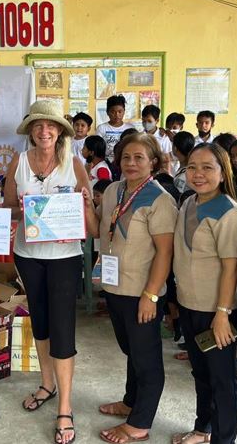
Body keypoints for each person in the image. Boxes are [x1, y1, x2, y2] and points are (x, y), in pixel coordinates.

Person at [4, 100, 90, 444]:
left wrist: (83, 204)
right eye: (38, 125)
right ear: (30, 130)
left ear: (60, 131)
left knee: (62, 328)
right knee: (40, 321)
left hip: (65, 257)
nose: (44, 131)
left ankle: (65, 407)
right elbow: (8, 208)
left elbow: (87, 211)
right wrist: (24, 210)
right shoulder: (19, 162)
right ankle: (47, 384)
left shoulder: (74, 164)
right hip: (28, 254)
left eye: (50, 125)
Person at [84, 133, 177, 443]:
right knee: (131, 351)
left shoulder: (160, 200)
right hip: (114, 288)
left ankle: (140, 422)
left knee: (146, 358)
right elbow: (98, 230)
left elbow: (165, 252)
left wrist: (151, 295)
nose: (131, 163)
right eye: (126, 157)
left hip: (142, 292)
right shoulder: (114, 190)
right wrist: (85, 206)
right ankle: (130, 401)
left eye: (139, 157)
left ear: (153, 162)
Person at [172, 144, 237, 444]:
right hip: (189, 305)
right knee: (201, 374)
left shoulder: (230, 213)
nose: (198, 174)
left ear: (223, 172)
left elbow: (232, 268)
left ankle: (223, 439)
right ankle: (203, 429)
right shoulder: (188, 203)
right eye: (192, 167)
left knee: (223, 381)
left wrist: (222, 314)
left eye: (207, 167)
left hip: (218, 312)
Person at [97, 95, 135, 163]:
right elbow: (98, 148)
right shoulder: (102, 128)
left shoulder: (130, 128)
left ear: (124, 112)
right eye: (113, 112)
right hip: (106, 163)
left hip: (125, 162)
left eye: (120, 111)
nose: (117, 115)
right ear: (107, 112)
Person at [140, 105, 173, 169]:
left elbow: (167, 160)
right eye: (144, 121)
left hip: (159, 170)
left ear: (157, 121)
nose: (146, 123)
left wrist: (167, 173)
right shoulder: (140, 136)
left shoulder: (164, 137)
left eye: (149, 121)